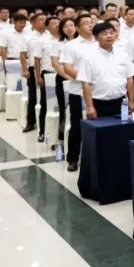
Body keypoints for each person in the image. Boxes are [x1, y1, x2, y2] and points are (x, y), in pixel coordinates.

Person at [58, 15, 97, 171]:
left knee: (97, 124)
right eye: (85, 23)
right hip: (78, 91)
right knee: (77, 126)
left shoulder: (99, 43)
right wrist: (85, 79)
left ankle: (95, 157)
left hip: (98, 92)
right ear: (78, 27)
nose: (90, 25)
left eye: (91, 22)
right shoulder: (71, 46)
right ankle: (73, 159)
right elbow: (67, 68)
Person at [78, 22, 134, 119]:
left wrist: (131, 101)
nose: (109, 36)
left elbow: (130, 79)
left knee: (123, 127)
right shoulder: (89, 57)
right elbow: (86, 84)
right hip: (99, 103)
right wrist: (90, 106)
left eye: (111, 33)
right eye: (104, 33)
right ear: (96, 37)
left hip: (121, 102)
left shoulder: (123, 55)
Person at [50, 18, 75, 144]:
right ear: (62, 29)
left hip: (80, 78)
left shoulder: (81, 42)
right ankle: (62, 137)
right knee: (64, 107)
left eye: (71, 25)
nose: (69, 28)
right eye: (66, 26)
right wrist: (69, 77)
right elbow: (55, 64)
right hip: (63, 78)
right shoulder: (57, 44)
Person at [34, 17, 60, 143]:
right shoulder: (42, 41)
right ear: (47, 27)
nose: (56, 25)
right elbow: (37, 60)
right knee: (45, 104)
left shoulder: (65, 40)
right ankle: (42, 132)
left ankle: (59, 132)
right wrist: (38, 76)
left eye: (58, 23)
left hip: (63, 74)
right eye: (53, 23)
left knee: (62, 104)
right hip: (48, 74)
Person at [21, 13, 47, 133]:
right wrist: (25, 70)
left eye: (45, 19)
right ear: (33, 22)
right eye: (41, 20)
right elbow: (22, 55)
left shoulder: (50, 36)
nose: (44, 21)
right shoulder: (28, 37)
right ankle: (30, 122)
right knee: (33, 97)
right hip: (32, 68)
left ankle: (45, 123)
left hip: (47, 70)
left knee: (46, 99)